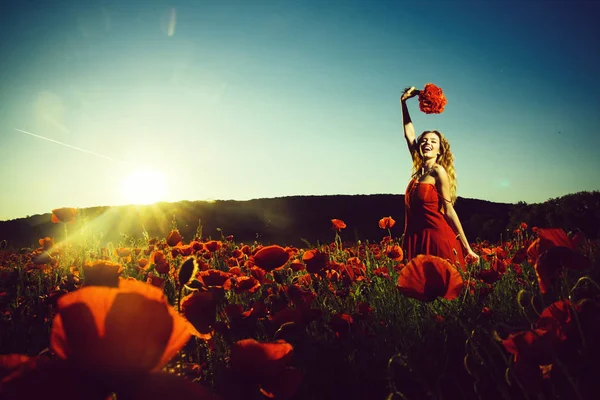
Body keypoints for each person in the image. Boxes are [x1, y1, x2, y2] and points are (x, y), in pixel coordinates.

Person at [400, 86, 479, 269]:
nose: (427, 143)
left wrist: (467, 248)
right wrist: (403, 103)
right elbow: (409, 134)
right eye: (424, 140)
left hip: (437, 238)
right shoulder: (419, 169)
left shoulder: (438, 172)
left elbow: (449, 211)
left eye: (433, 141)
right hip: (416, 238)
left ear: (440, 150)